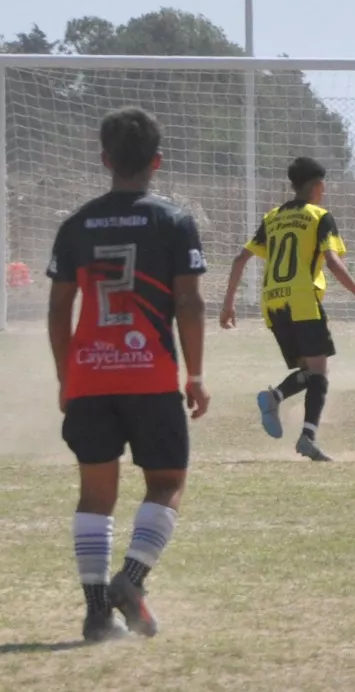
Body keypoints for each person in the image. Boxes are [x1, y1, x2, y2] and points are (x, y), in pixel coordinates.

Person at [46, 107, 210, 642]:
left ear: (104, 159)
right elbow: (188, 303)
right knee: (167, 483)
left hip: (89, 378)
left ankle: (97, 615)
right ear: (157, 162)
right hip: (151, 375)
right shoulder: (173, 221)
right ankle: (131, 580)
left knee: (95, 495)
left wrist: (65, 377)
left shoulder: (76, 223)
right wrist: (196, 374)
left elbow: (57, 309)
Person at [219, 157, 355, 461]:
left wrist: (228, 304)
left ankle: (275, 396)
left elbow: (240, 259)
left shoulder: (272, 218)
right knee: (319, 372)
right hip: (303, 301)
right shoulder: (320, 217)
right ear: (318, 186)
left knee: (310, 370)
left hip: (273, 302)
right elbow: (332, 261)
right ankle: (306, 436)